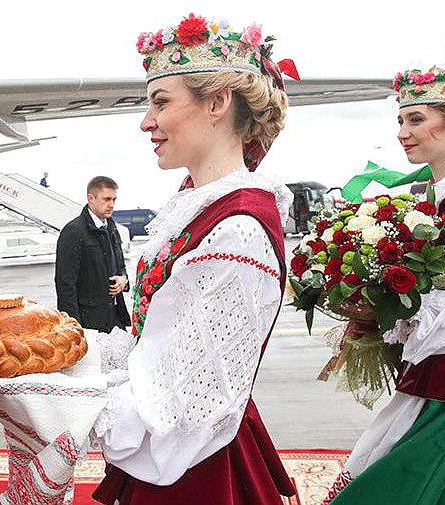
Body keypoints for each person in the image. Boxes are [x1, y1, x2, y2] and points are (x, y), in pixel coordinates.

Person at [90, 14, 298, 504]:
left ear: (218, 103)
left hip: (195, 463)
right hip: (188, 449)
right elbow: (158, 345)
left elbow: (178, 404)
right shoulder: (198, 206)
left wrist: (60, 399)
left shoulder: (239, 230)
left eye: (160, 102)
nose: (146, 122)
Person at [324, 67, 445, 504]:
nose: (402, 132)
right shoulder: (435, 197)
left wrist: (396, 312)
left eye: (415, 119)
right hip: (433, 377)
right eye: (400, 120)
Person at [55, 176, 129, 333]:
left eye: (114, 200)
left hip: (115, 316)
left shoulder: (111, 226)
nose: (111, 205)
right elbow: (65, 284)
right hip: (89, 322)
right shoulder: (73, 232)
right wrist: (74, 329)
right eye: (106, 199)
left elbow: (120, 264)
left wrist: (123, 279)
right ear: (91, 198)